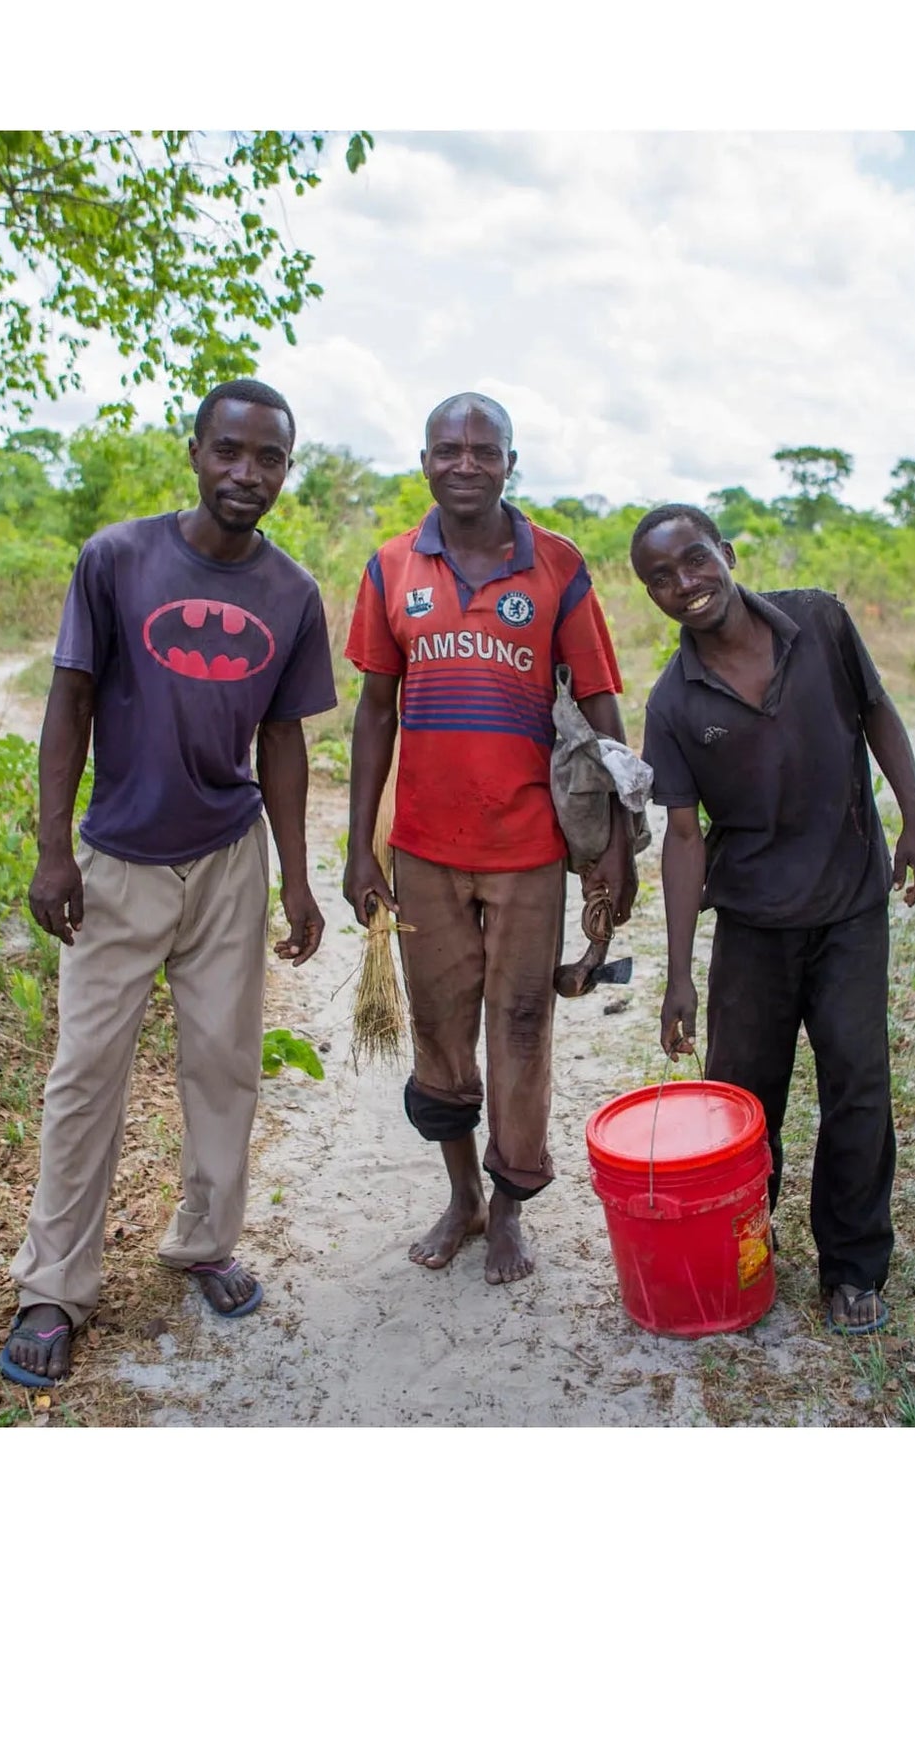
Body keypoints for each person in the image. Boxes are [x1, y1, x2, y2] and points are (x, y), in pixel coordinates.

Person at [0, 378, 337, 1388]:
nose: (247, 473)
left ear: (285, 469)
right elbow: (69, 703)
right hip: (118, 859)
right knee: (86, 1072)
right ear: (193, 451)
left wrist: (295, 876)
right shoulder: (117, 559)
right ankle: (53, 1284)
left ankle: (203, 1241)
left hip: (227, 857)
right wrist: (53, 848)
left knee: (224, 1064)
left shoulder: (291, 593)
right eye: (228, 451)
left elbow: (283, 740)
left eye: (268, 458)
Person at [343, 392, 632, 1285]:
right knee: (439, 1029)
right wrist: (362, 846)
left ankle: (510, 1205)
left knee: (520, 1025)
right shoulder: (392, 567)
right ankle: (462, 1194)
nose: (463, 463)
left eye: (483, 449)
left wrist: (617, 840)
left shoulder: (558, 565)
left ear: (512, 461)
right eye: (446, 449)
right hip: (424, 849)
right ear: (424, 461)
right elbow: (375, 712)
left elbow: (599, 705)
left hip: (529, 851)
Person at [630, 503, 915, 1335]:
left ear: (727, 555)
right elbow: (684, 837)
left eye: (694, 561)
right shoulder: (674, 702)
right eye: (661, 578)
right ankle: (742, 1250)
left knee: (858, 1087)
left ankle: (854, 1265)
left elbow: (877, 715)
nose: (684, 584)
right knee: (742, 1103)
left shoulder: (820, 621)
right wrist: (681, 974)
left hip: (849, 907)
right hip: (753, 927)